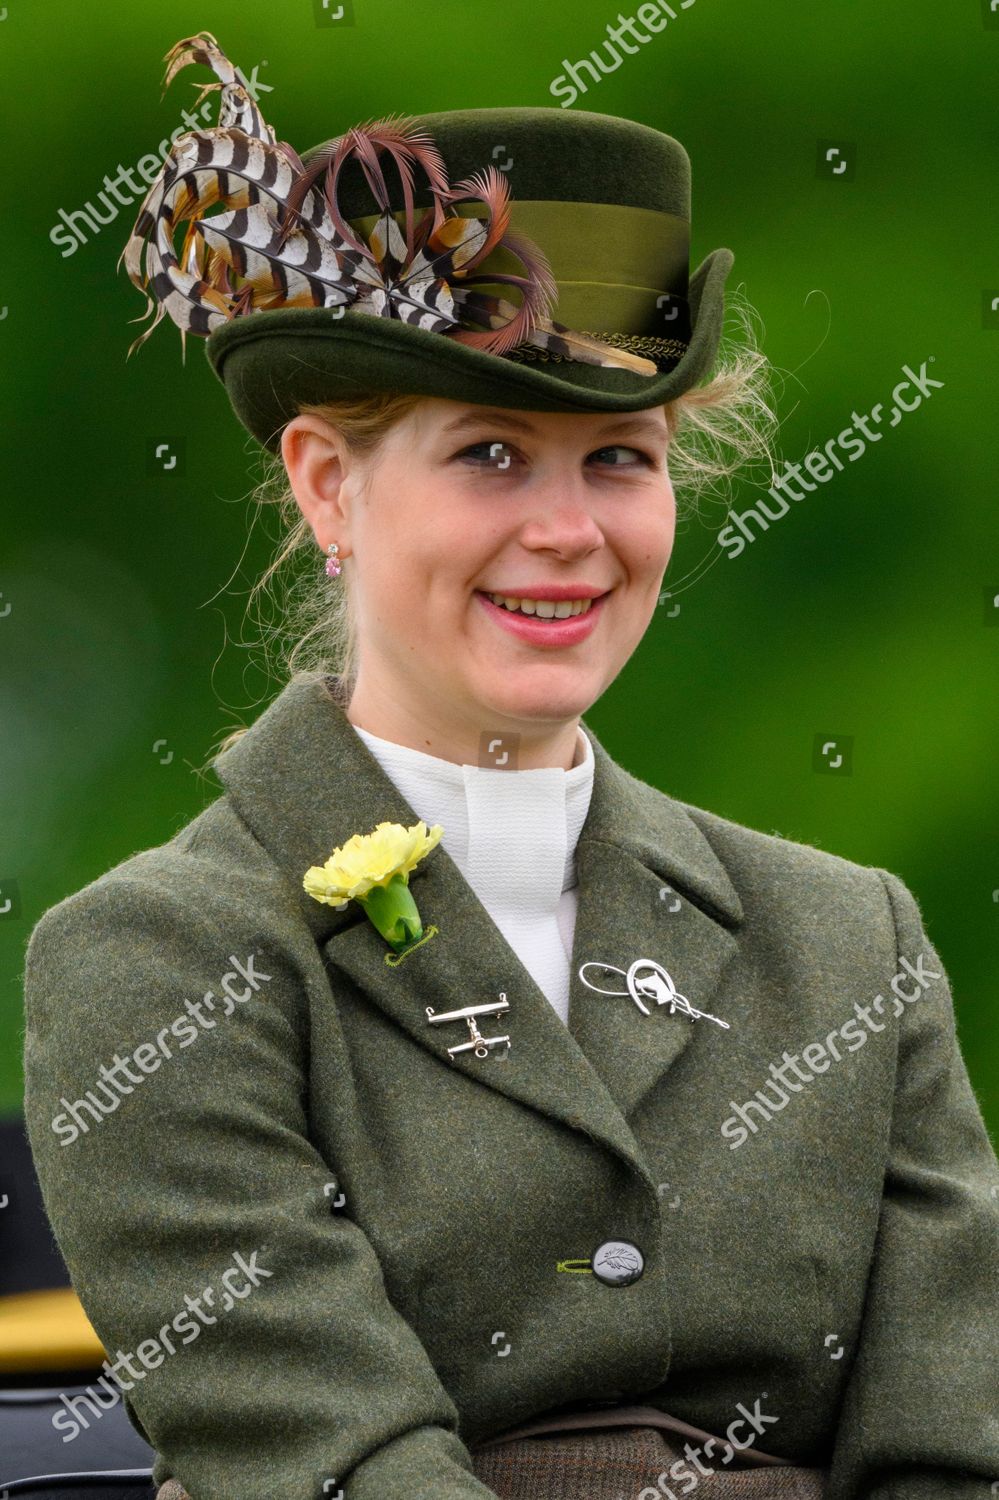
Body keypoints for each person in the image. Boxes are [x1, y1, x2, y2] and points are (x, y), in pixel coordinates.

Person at [22, 30, 999, 1500]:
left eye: (622, 458)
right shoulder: (153, 963)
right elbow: (336, 1462)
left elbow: (952, 1459)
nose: (569, 530)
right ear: (326, 485)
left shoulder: (851, 942)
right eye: (491, 454)